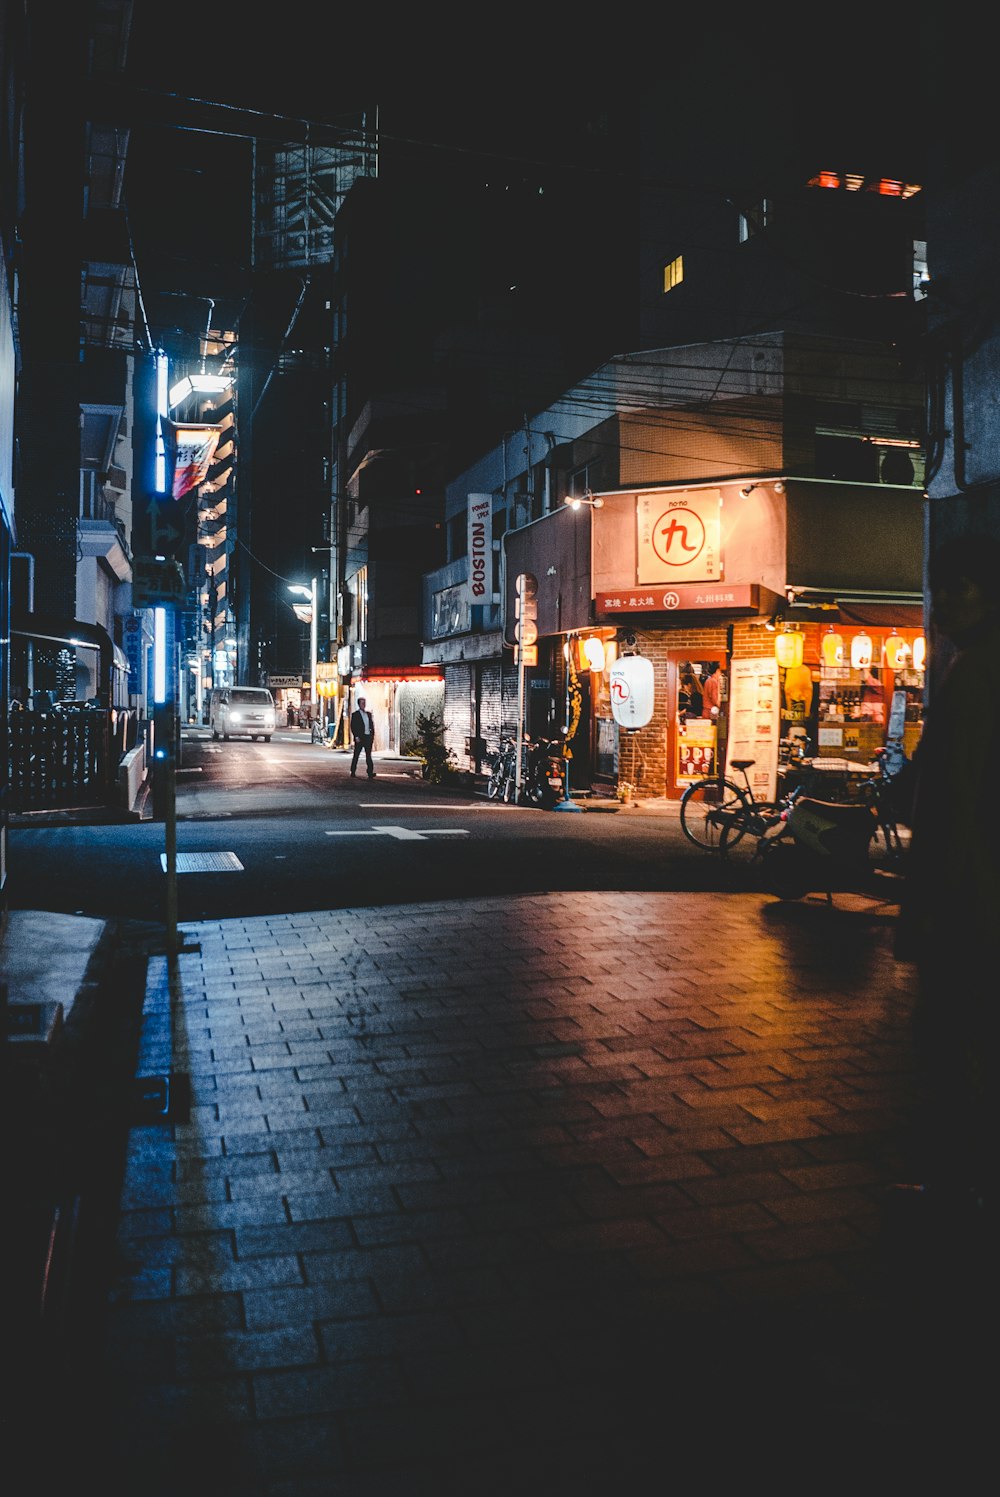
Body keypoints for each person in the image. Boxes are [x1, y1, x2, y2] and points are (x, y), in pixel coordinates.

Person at [893, 532, 1000, 1229]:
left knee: (957, 1040)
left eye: (959, 586)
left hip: (965, 899)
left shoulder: (979, 674)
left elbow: (963, 803)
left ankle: (961, 1185)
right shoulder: (971, 668)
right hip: (968, 894)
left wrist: (936, 904)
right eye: (941, 586)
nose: (943, 602)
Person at [350, 696, 376, 778]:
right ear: (359, 704)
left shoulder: (368, 714)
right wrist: (356, 736)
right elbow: (353, 726)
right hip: (360, 737)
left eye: (364, 703)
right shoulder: (355, 715)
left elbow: (371, 725)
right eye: (362, 703)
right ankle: (353, 771)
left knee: (368, 755)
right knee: (356, 755)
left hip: (368, 737)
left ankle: (370, 772)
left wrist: (372, 736)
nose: (363, 704)